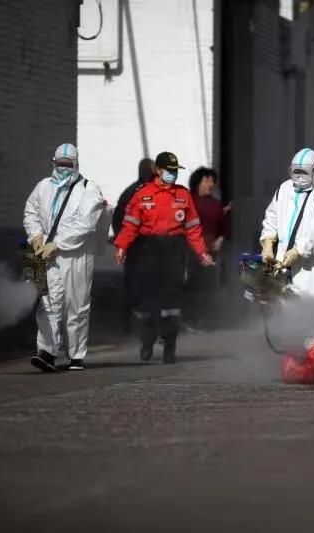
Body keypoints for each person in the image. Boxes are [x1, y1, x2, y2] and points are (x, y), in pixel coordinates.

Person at [113, 152, 215, 363]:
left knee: (171, 302)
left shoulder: (183, 195)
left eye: (175, 171)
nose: (172, 174)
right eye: (169, 171)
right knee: (148, 301)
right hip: (148, 250)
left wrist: (202, 253)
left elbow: (193, 228)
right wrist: (122, 247)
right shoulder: (141, 194)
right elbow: (129, 224)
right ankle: (148, 341)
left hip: (174, 251)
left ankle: (170, 345)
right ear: (158, 171)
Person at [259, 147, 314, 368]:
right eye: (295, 172)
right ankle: (292, 366)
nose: (299, 177)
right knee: (286, 311)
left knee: (312, 312)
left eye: (304, 172)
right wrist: (268, 243)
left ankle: (312, 366)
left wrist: (298, 251)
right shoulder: (284, 189)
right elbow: (271, 217)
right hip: (283, 262)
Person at [24, 143, 105, 372]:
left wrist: (58, 244)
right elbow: (31, 212)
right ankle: (47, 352)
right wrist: (36, 237)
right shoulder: (43, 187)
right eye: (60, 164)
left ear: (77, 165)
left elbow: (85, 223)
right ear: (53, 162)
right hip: (48, 256)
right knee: (48, 303)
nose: (63, 168)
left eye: (68, 165)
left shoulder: (89, 189)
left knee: (76, 305)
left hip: (77, 256)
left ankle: (76, 355)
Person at [112, 157, 155, 332]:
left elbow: (117, 219)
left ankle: (129, 325)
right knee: (142, 285)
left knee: (135, 284)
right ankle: (138, 325)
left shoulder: (130, 192)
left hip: (138, 247)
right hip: (143, 247)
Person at [186, 167, 230, 329]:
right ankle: (190, 319)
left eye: (212, 181)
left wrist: (220, 239)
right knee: (193, 285)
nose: (210, 184)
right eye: (207, 180)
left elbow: (223, 226)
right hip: (191, 250)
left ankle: (204, 318)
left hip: (210, 251)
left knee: (208, 285)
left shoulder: (215, 204)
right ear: (198, 182)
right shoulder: (189, 201)